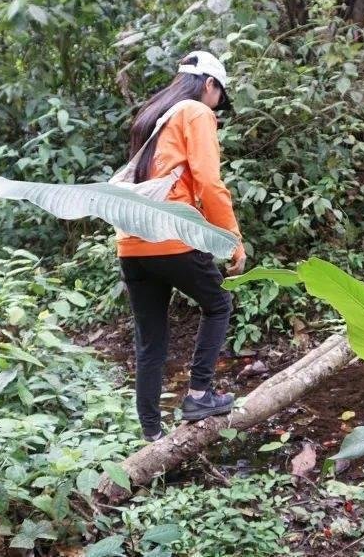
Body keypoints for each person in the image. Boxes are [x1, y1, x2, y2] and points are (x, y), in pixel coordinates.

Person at [116, 51, 247, 442]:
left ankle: (152, 436)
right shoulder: (195, 112)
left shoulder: (152, 116)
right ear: (210, 84)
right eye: (219, 98)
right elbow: (209, 183)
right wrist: (232, 242)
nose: (217, 108)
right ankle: (199, 394)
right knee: (219, 303)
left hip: (132, 242)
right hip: (172, 233)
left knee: (150, 341)